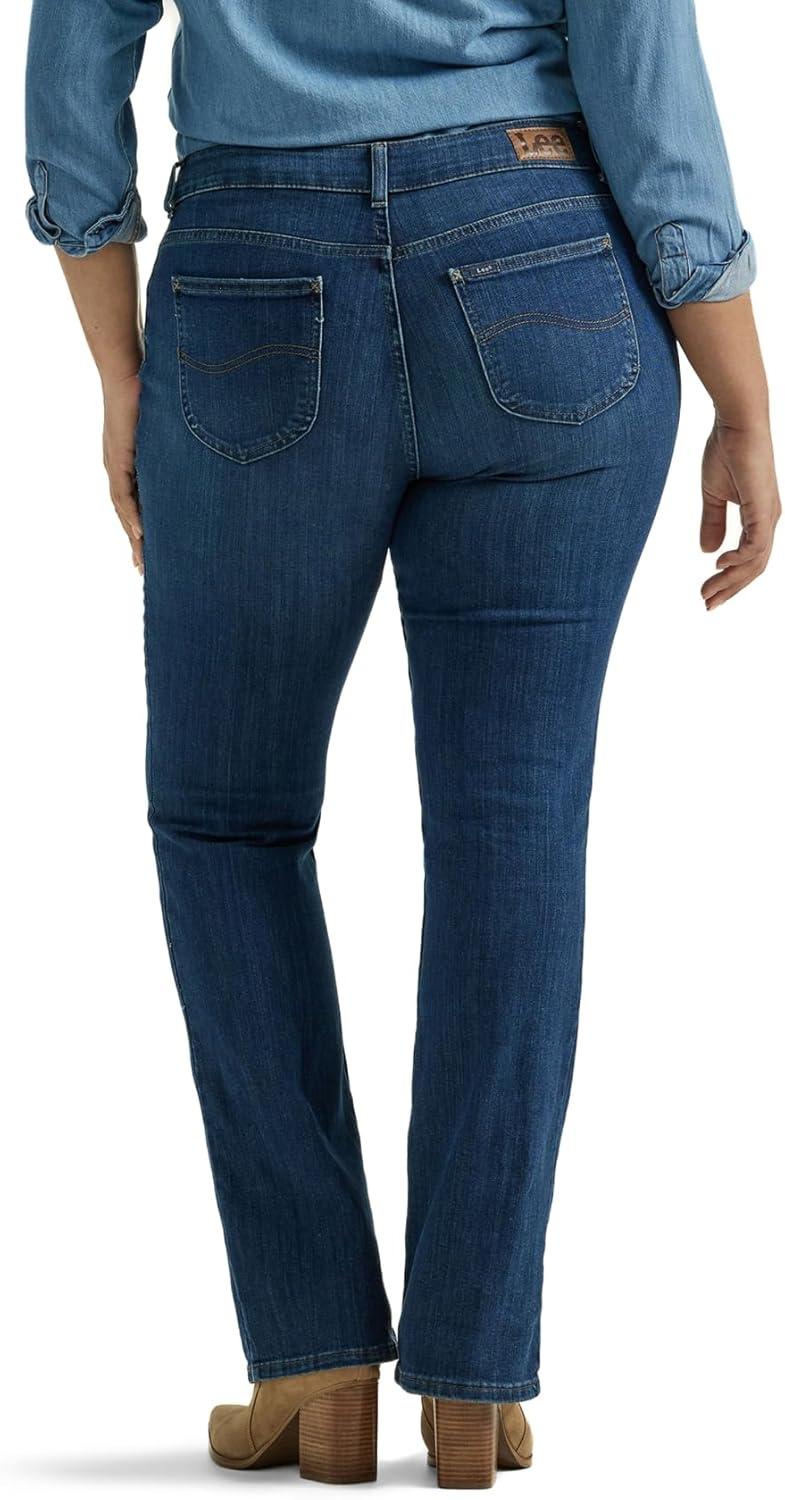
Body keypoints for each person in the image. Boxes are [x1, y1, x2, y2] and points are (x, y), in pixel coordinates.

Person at [25, 0, 779, 1486]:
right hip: (545, 260)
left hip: (249, 278)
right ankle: (470, 1377)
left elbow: (73, 65)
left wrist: (115, 363)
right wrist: (741, 391)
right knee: (513, 831)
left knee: (229, 821)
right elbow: (643, 76)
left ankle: (312, 1356)